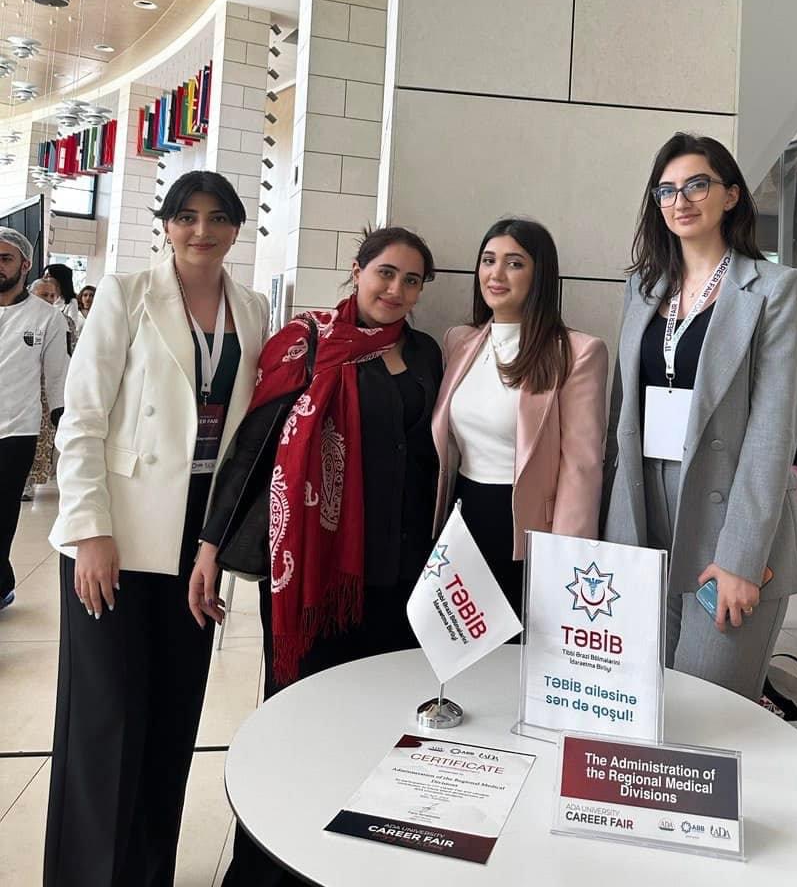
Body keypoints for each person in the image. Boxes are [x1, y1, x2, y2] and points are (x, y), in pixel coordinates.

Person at [195, 225, 442, 887]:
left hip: (398, 574)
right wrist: (210, 546)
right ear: (357, 271)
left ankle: (351, 866)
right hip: (313, 575)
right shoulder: (304, 345)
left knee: (378, 727)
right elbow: (253, 449)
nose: (396, 289)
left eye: (412, 280)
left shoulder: (425, 353)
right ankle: (269, 870)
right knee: (297, 721)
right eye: (385, 272)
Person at [44, 172, 269, 887]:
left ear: (236, 228)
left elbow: (244, 438)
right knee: (107, 717)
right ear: (166, 225)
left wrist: (219, 542)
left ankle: (147, 872)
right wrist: (89, 530)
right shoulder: (126, 293)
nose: (202, 230)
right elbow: (82, 417)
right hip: (120, 526)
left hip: (198, 533)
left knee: (173, 713)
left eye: (218, 217)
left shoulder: (253, 309)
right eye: (187, 216)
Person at [602, 132, 797, 701]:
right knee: (640, 698)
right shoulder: (643, 288)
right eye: (667, 190)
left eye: (697, 184)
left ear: (732, 195)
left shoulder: (774, 287)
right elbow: (622, 417)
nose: (681, 200)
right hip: (646, 506)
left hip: (728, 515)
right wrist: (613, 534)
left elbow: (772, 434)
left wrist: (741, 559)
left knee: (708, 705)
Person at [432, 218, 608, 618]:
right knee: (459, 642)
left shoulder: (577, 352)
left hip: (525, 529)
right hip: (461, 517)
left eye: (514, 263)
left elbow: (581, 466)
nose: (496, 274)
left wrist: (566, 557)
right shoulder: (459, 342)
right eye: (488, 260)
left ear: (539, 274)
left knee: (519, 644)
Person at [0, 228, 69, 608]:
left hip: (15, 431)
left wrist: (65, 424)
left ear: (25, 264)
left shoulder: (47, 319)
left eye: (5, 258)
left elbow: (58, 378)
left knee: (3, 513)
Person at [22, 277, 71, 501]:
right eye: (44, 295)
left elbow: (69, 353)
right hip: (21, 386)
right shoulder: (19, 316)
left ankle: (27, 482)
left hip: (49, 390)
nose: (49, 299)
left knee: (41, 438)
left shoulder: (63, 321)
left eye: (52, 295)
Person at [43, 262, 80, 332]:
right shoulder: (42, 295)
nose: (44, 278)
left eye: (48, 276)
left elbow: (72, 326)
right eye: (44, 275)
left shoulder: (71, 302)